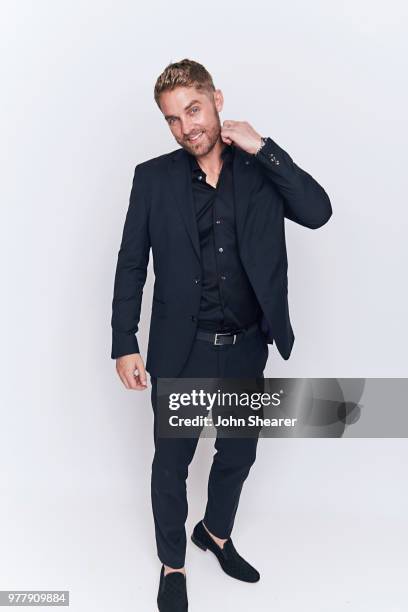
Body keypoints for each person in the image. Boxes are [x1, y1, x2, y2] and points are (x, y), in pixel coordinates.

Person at [111, 58, 332, 611]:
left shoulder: (260, 169)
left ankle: (215, 533)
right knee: (172, 465)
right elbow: (131, 263)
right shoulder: (153, 178)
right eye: (172, 118)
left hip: (246, 346)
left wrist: (265, 148)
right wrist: (123, 340)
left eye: (193, 109)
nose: (187, 126)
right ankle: (172, 564)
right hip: (180, 351)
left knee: (237, 455)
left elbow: (318, 212)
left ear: (217, 100)